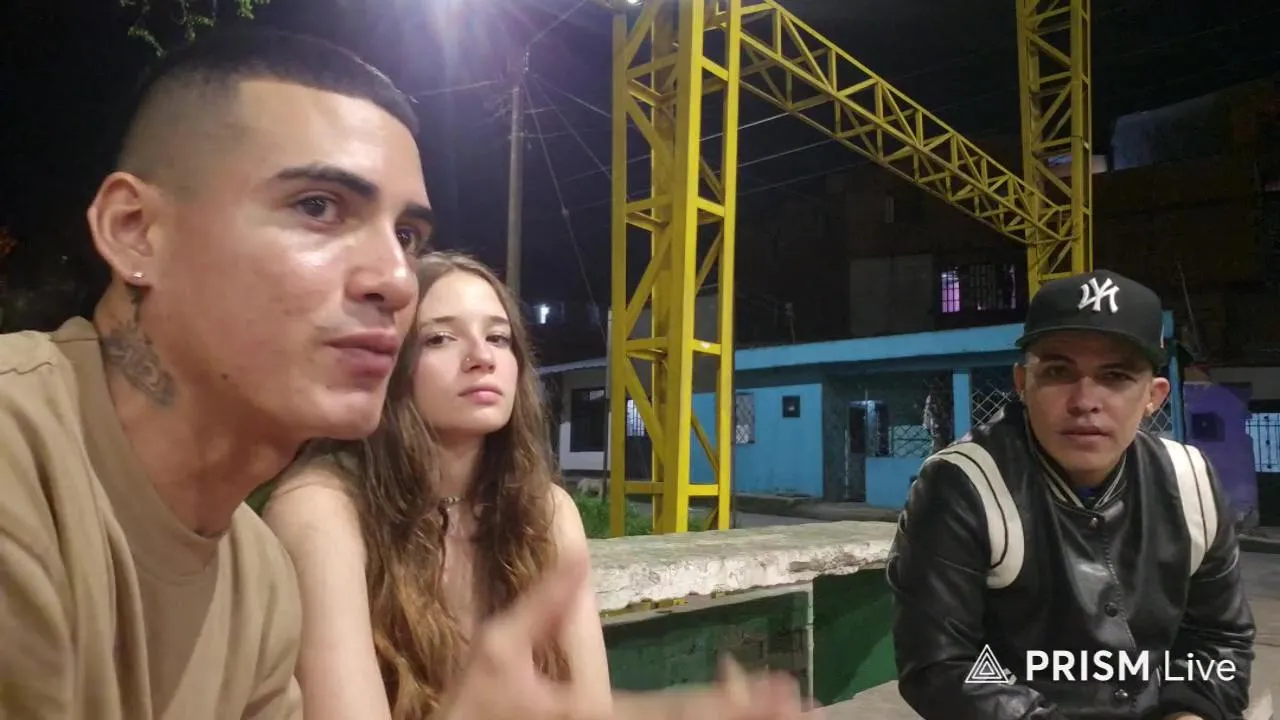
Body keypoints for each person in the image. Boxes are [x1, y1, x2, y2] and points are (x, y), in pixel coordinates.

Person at [0, 28, 804, 720]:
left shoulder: (252, 579)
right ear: (135, 230)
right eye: (318, 206)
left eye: (408, 236)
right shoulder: (22, 470)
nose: (394, 278)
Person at [887, 269, 1255, 720]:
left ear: (1153, 395)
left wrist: (1192, 713)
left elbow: (1218, 639)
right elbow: (943, 665)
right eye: (1059, 372)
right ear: (1023, 383)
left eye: (1115, 375)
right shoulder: (965, 484)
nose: (1084, 400)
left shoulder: (1189, 480)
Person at [261, 252, 612, 718]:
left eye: (498, 337)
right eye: (440, 338)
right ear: (387, 362)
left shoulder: (547, 511)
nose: (481, 358)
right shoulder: (322, 509)